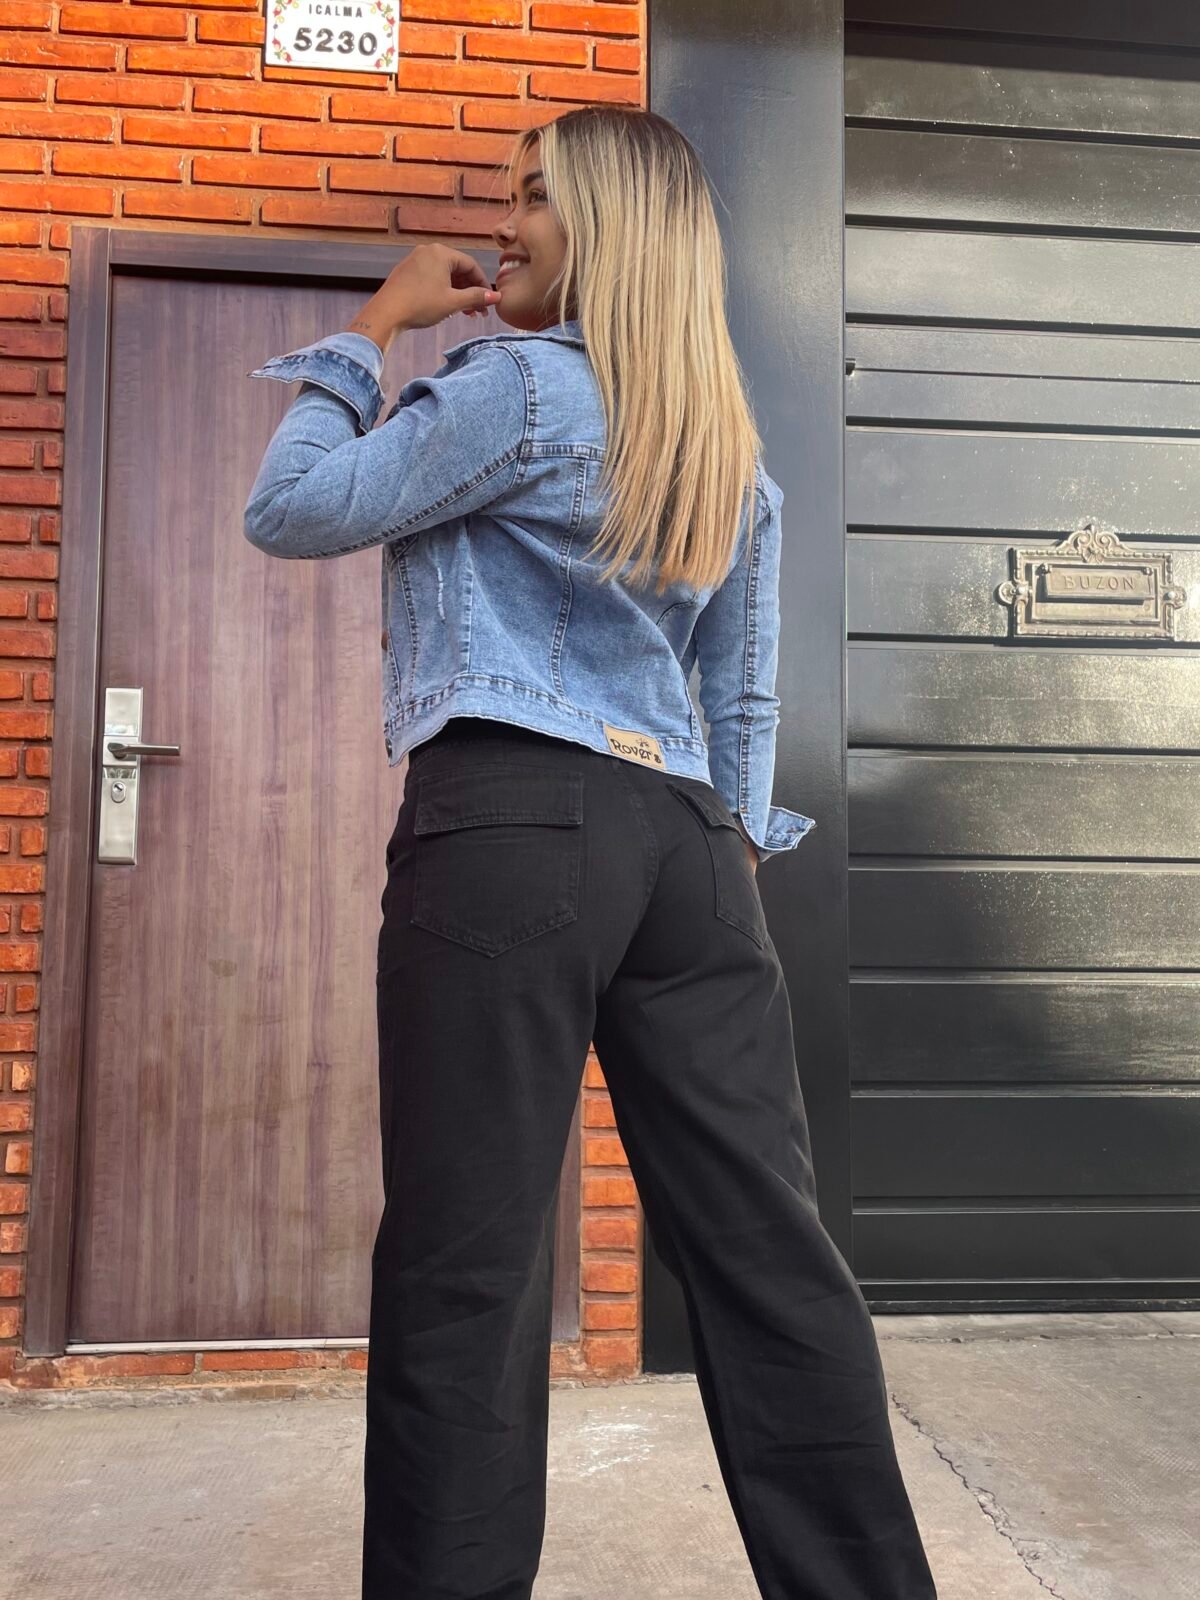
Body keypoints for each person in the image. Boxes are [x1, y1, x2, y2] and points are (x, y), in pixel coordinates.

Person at [243, 105, 936, 1600]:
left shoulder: (512, 391)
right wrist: (721, 861)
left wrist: (370, 329)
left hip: (509, 823)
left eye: (534, 199)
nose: (504, 229)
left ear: (608, 229)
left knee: (467, 1270)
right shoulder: (723, 445)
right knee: (767, 1256)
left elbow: (290, 508)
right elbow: (742, 699)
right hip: (690, 854)